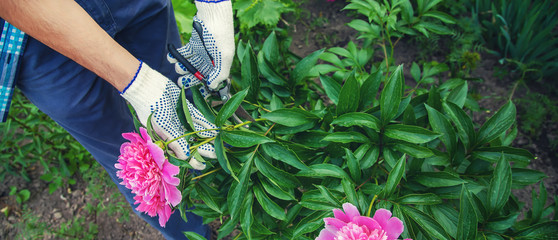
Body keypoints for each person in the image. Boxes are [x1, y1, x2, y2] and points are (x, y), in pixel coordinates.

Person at [0, 0, 234, 239]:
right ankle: (196, 234)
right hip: (34, 36)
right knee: (128, 159)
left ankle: (238, 185)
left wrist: (213, 6)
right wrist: (140, 85)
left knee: (183, 103)